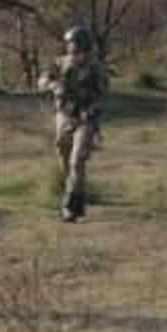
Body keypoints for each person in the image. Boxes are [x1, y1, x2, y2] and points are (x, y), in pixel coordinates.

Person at [39, 25, 109, 223]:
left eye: (74, 44)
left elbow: (102, 95)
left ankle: (72, 206)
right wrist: (54, 85)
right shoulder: (60, 64)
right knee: (64, 156)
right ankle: (77, 192)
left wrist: (92, 112)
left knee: (77, 162)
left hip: (85, 119)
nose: (71, 48)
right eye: (69, 44)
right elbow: (43, 80)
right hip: (64, 116)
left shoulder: (96, 69)